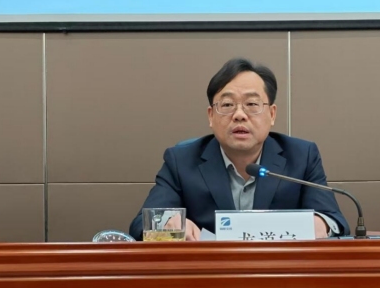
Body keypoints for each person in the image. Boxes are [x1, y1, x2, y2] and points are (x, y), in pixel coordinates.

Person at [129, 57, 350, 241]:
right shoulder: (181, 161)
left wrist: (320, 224)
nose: (239, 115)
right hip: (209, 275)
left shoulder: (302, 156)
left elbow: (334, 219)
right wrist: (168, 223)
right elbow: (141, 224)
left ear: (272, 114)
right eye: (227, 105)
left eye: (251, 104)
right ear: (211, 116)